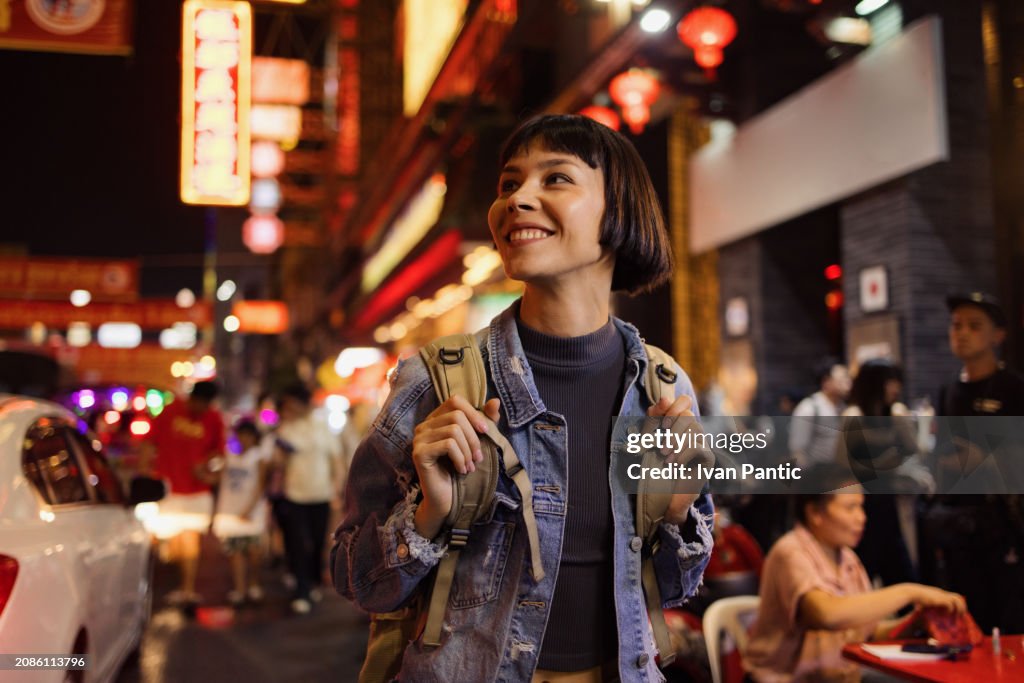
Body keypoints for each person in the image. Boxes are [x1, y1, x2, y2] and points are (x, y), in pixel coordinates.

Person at [332, 114, 714, 683]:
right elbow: (355, 580)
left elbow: (675, 591)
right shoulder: (435, 382)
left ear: (618, 213)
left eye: (554, 179)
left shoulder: (662, 387)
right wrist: (428, 514)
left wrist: (677, 510)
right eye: (509, 184)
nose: (517, 199)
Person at [744, 480, 966, 683]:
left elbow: (865, 631)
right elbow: (826, 614)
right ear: (814, 512)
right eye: (850, 508)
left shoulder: (847, 558)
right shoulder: (790, 551)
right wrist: (908, 592)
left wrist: (913, 624)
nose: (861, 517)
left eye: (861, 507)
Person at [920, 292, 1024, 633]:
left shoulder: (1014, 389)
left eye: (974, 326)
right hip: (956, 526)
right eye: (956, 326)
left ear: (998, 335)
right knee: (965, 622)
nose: (962, 333)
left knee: (1008, 623)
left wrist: (987, 461)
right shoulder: (948, 390)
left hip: (1004, 527)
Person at [837, 359, 924, 587]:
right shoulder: (854, 416)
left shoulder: (894, 414)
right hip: (863, 501)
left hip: (888, 501)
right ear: (876, 384)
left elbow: (916, 449)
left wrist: (903, 422)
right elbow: (847, 464)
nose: (896, 389)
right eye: (890, 382)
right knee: (866, 564)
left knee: (900, 567)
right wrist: (887, 461)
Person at [140, 380, 225, 606]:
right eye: (201, 405)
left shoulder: (214, 418)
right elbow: (149, 443)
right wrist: (144, 474)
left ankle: (187, 590)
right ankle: (179, 586)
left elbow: (219, 455)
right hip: (169, 490)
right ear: (192, 399)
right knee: (173, 543)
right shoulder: (171, 411)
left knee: (189, 541)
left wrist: (208, 467)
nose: (203, 410)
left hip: (197, 492)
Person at [274, 383, 343, 615]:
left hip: (321, 494)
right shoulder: (286, 430)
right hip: (294, 495)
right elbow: (279, 462)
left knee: (316, 542)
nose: (288, 408)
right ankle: (302, 590)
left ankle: (312, 581)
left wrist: (338, 488)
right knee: (296, 543)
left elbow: (335, 460)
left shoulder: (322, 426)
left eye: (292, 403)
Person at [213, 419, 270, 606]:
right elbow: (216, 478)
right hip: (230, 511)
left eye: (248, 435)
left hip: (251, 513)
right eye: (241, 434)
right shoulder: (228, 457)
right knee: (235, 552)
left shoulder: (259, 456)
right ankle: (239, 589)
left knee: (253, 552)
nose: (244, 439)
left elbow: (261, 484)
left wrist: (250, 509)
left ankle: (253, 583)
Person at [788, 359, 850, 468]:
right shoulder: (809, 408)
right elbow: (798, 450)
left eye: (848, 378)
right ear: (826, 381)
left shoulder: (844, 407)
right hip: (818, 472)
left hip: (840, 471)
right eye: (842, 379)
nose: (848, 383)